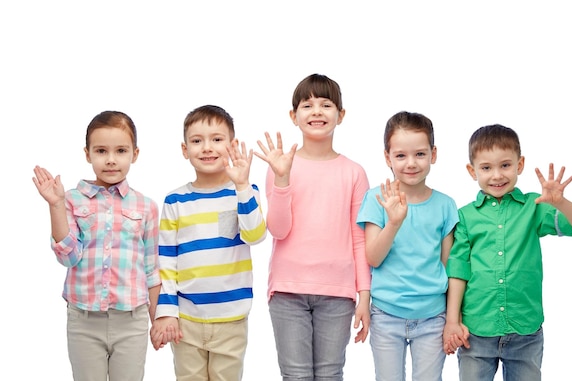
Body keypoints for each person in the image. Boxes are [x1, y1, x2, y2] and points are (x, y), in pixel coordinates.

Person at [443, 124, 572, 381]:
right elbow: (458, 270)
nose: (497, 175)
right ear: (472, 171)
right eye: (486, 168)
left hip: (525, 330)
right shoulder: (465, 216)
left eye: (505, 165)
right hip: (477, 330)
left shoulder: (534, 206)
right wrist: (452, 320)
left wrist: (560, 203)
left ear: (519, 165)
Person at [254, 73, 371, 380]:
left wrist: (364, 295)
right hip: (288, 290)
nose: (317, 111)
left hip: (338, 292)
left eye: (326, 104)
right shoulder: (282, 165)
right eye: (307, 105)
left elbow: (360, 239)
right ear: (294, 116)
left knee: (331, 374)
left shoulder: (354, 173)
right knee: (296, 375)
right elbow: (277, 230)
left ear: (340, 115)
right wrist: (281, 179)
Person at [32, 111, 161, 381]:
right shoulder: (71, 200)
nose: (111, 159)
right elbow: (68, 257)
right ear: (88, 154)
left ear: (134, 154)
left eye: (121, 150)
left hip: (132, 320)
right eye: (101, 150)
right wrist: (55, 205)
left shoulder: (146, 206)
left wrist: (157, 319)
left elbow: (151, 269)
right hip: (84, 320)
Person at [149, 105, 267, 381]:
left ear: (232, 145)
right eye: (197, 140)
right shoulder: (175, 201)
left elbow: (256, 235)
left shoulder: (245, 192)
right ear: (184, 149)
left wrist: (242, 187)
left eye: (217, 139)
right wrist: (165, 312)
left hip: (232, 317)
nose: (207, 148)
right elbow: (165, 260)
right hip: (186, 318)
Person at [356, 111, 458, 381]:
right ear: (387, 157)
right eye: (400, 155)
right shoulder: (376, 198)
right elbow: (373, 258)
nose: (411, 163)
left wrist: (452, 319)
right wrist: (394, 222)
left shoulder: (445, 205)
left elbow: (449, 267)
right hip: (386, 315)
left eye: (420, 154)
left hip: (433, 317)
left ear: (433, 155)